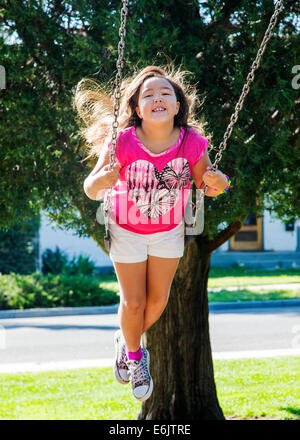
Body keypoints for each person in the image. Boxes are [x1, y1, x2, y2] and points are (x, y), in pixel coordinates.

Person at [75, 65, 230, 402]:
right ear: (136, 109)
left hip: (167, 230)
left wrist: (221, 183)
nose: (157, 98)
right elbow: (91, 186)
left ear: (177, 106)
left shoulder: (192, 143)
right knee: (134, 302)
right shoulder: (122, 141)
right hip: (126, 228)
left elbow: (209, 183)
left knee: (157, 301)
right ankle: (135, 357)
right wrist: (101, 181)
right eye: (148, 94)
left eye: (165, 94)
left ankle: (125, 338)